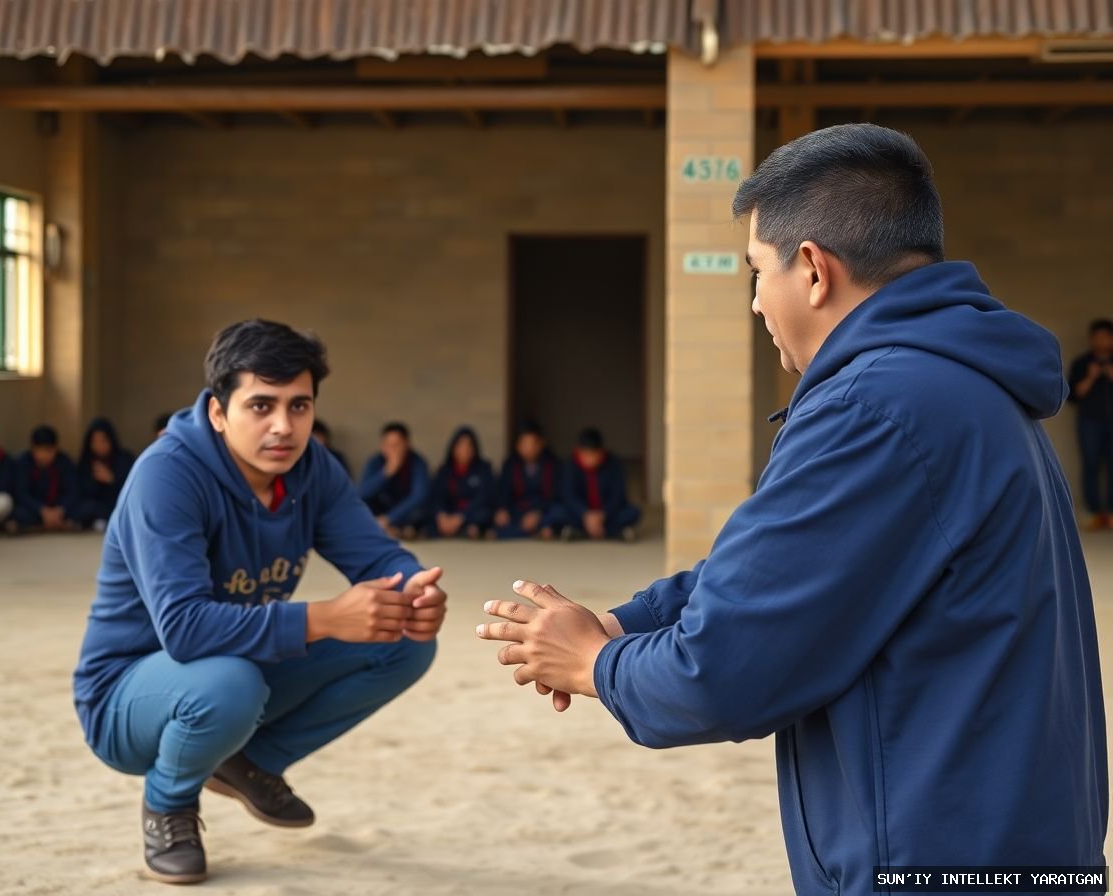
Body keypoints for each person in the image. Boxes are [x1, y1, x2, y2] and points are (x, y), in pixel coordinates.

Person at [477, 124, 1106, 891]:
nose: (753, 301)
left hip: (933, 857)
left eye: (754, 271)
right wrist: (626, 623)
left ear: (811, 269)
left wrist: (595, 663)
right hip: (1009, 843)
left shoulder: (876, 405)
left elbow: (723, 674)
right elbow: (791, 569)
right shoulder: (962, 386)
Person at [72, 319, 446, 885]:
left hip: (235, 669)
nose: (283, 427)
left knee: (403, 643)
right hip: (126, 696)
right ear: (219, 412)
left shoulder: (312, 468)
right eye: (261, 406)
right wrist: (324, 618)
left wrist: (414, 590)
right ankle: (169, 804)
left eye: (299, 406)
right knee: (229, 685)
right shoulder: (166, 476)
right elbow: (185, 630)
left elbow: (376, 556)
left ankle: (250, 762)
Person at [1067, 319, 1113, 529]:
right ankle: (1092, 513)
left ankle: (1111, 513)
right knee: (1091, 464)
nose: (1100, 340)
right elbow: (1073, 395)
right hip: (1089, 421)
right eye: (1096, 336)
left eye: (1104, 336)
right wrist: (1091, 376)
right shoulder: (1082, 362)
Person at [562, 427, 640, 542]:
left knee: (633, 512)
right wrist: (585, 514)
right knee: (559, 512)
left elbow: (618, 495)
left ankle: (582, 532)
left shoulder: (614, 464)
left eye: (593, 455)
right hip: (582, 514)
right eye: (586, 455)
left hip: (606, 513)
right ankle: (614, 532)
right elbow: (569, 495)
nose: (589, 460)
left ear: (601, 452)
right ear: (579, 452)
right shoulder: (570, 465)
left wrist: (603, 515)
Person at [358, 422, 429, 539]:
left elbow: (419, 495)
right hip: (381, 508)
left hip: (403, 511)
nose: (392, 450)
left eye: (396, 445)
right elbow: (361, 493)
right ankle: (393, 529)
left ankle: (392, 528)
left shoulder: (417, 462)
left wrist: (389, 518)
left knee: (422, 511)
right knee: (361, 509)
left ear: (407, 444)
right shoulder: (375, 461)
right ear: (382, 446)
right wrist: (386, 473)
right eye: (388, 445)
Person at [493, 422, 564, 540]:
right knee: (499, 519)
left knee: (560, 512)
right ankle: (539, 532)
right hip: (519, 510)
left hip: (543, 509)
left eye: (532, 444)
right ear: (517, 445)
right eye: (524, 444)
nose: (528, 448)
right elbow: (504, 492)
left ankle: (535, 530)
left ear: (541, 444)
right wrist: (502, 508)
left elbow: (556, 495)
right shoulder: (510, 464)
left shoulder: (553, 464)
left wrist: (538, 514)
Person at [8, 425, 78, 533]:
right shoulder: (22, 462)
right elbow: (21, 493)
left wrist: (60, 509)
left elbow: (73, 491)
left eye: (48, 451)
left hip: (59, 508)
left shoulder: (64, 462)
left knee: (86, 507)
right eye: (39, 450)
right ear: (32, 448)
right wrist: (41, 510)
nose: (43, 455)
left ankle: (43, 525)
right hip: (35, 509)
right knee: (16, 511)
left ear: (56, 449)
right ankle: (54, 524)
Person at [428, 425, 494, 539]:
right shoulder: (444, 470)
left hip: (470, 514)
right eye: (461, 445)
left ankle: (468, 530)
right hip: (450, 513)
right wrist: (441, 516)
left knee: (485, 514)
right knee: (426, 514)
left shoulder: (484, 468)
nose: (465, 449)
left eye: (469, 446)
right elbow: (437, 497)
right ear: (453, 448)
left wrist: (461, 517)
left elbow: (483, 498)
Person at [74, 417, 135, 531]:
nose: (99, 445)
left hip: (116, 503)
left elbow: (132, 489)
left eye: (103, 441)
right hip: (95, 507)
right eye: (94, 441)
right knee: (86, 507)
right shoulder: (86, 461)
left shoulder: (124, 458)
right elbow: (81, 490)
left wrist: (111, 479)